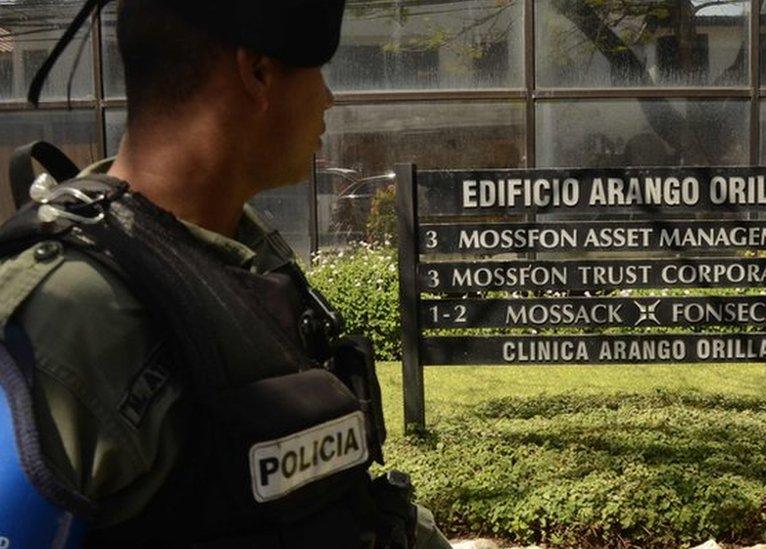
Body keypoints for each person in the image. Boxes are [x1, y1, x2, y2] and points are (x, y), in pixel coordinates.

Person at [0, 0, 451, 547]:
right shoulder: (63, 317)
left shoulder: (241, 249)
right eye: (317, 72)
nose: (329, 99)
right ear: (258, 72)